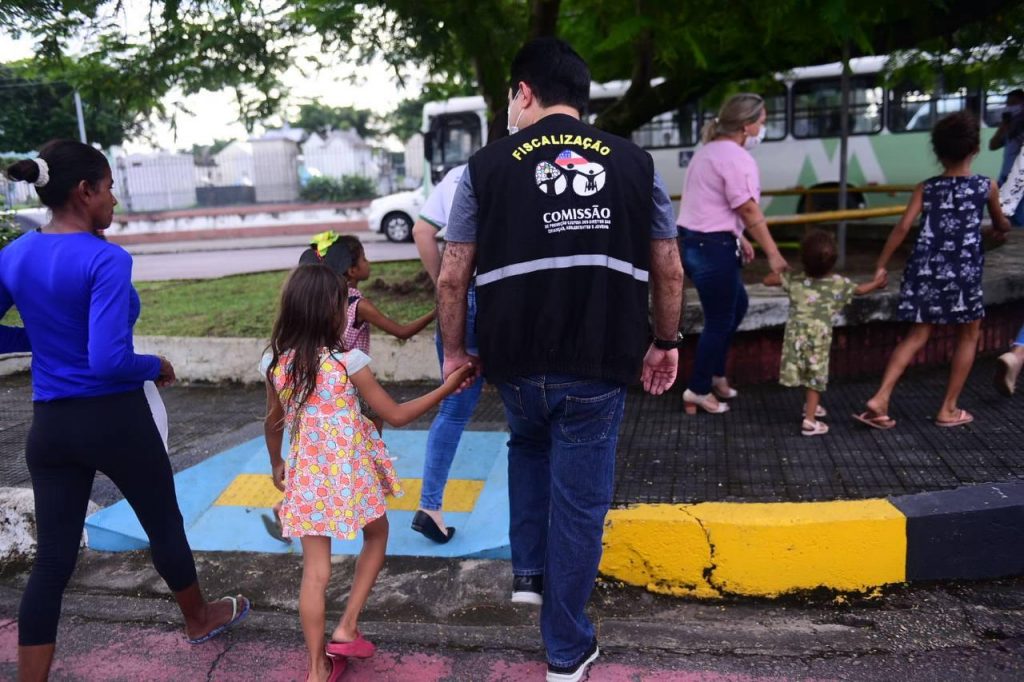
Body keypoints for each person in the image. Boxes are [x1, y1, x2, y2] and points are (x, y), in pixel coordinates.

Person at [436, 38, 685, 682]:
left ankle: (529, 575)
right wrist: (665, 342)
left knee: (527, 445)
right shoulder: (636, 165)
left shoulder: (485, 167)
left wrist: (457, 352)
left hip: (515, 363)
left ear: (524, 92)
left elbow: (452, 275)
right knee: (579, 506)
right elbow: (669, 267)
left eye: (510, 96)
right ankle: (567, 651)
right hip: (599, 362)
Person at [1, 140, 250, 682]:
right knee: (163, 524)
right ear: (84, 190)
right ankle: (198, 618)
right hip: (115, 420)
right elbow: (109, 360)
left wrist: (37, 340)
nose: (114, 199)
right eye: (109, 188)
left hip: (52, 427)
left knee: (52, 562)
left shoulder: (14, 255)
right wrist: (156, 364)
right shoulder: (105, 258)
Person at [262, 263, 474, 682]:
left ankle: (316, 669)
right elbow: (395, 415)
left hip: (307, 477)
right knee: (376, 535)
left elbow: (273, 421)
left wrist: (276, 463)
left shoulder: (275, 363)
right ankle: (347, 625)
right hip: (351, 475)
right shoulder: (348, 362)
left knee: (315, 573)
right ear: (331, 312)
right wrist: (447, 388)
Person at [856, 112, 1011, 430]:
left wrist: (881, 264)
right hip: (963, 273)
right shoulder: (986, 186)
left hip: (925, 269)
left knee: (917, 335)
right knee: (969, 335)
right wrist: (999, 228)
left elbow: (902, 228)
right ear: (975, 149)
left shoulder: (926, 188)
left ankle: (880, 398)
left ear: (938, 152)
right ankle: (948, 408)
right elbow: (1000, 225)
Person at [676, 93, 789, 415]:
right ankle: (697, 390)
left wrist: (738, 236)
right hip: (712, 249)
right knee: (719, 320)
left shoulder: (707, 152)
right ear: (746, 125)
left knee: (737, 306)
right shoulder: (736, 158)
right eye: (762, 123)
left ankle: (715, 374)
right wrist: (773, 254)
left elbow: (710, 204)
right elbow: (748, 208)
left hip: (694, 242)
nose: (762, 129)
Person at [410, 163, 484, 543]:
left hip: (458, 300)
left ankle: (430, 506)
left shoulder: (460, 173)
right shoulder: (524, 167)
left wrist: (445, 282)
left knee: (453, 408)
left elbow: (421, 230)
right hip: (504, 297)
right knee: (529, 402)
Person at [763, 230, 887, 436]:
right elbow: (860, 290)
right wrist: (877, 283)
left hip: (795, 336)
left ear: (803, 259)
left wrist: (784, 270)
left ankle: (810, 407)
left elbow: (767, 280)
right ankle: (810, 421)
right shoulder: (837, 283)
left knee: (804, 371)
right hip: (818, 339)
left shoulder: (794, 279)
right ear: (833, 262)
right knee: (815, 377)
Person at [989, 89, 1024, 226]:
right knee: (1003, 221)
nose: (1010, 107)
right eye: (1008, 104)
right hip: (1005, 178)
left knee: (1018, 221)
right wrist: (1004, 126)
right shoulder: (1009, 126)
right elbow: (992, 145)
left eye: (1013, 103)